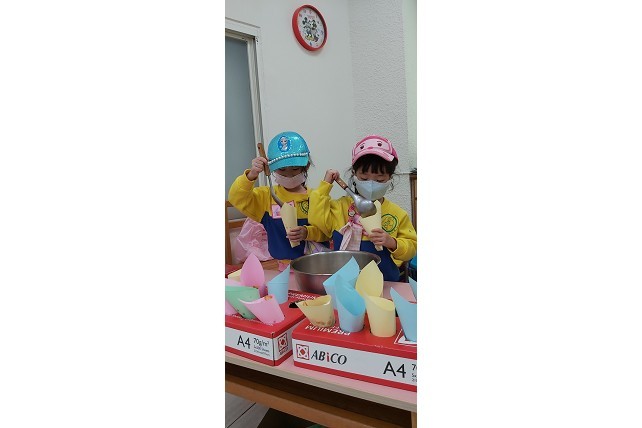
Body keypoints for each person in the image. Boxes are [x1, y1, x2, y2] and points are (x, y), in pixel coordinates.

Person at [308, 135, 417, 281]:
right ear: (354, 175)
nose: (371, 184)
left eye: (379, 180)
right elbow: (316, 219)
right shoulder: (341, 207)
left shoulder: (397, 214)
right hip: (345, 282)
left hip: (384, 282)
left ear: (390, 178)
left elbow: (411, 248)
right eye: (364, 179)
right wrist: (325, 185)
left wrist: (392, 242)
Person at [228, 131, 330, 268]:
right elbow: (236, 197)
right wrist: (251, 175)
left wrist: (307, 232)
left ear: (306, 166)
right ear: (271, 169)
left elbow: (326, 232)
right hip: (283, 266)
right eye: (282, 170)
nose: (289, 175)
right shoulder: (267, 197)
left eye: (295, 169)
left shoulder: (317, 197)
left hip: (317, 265)